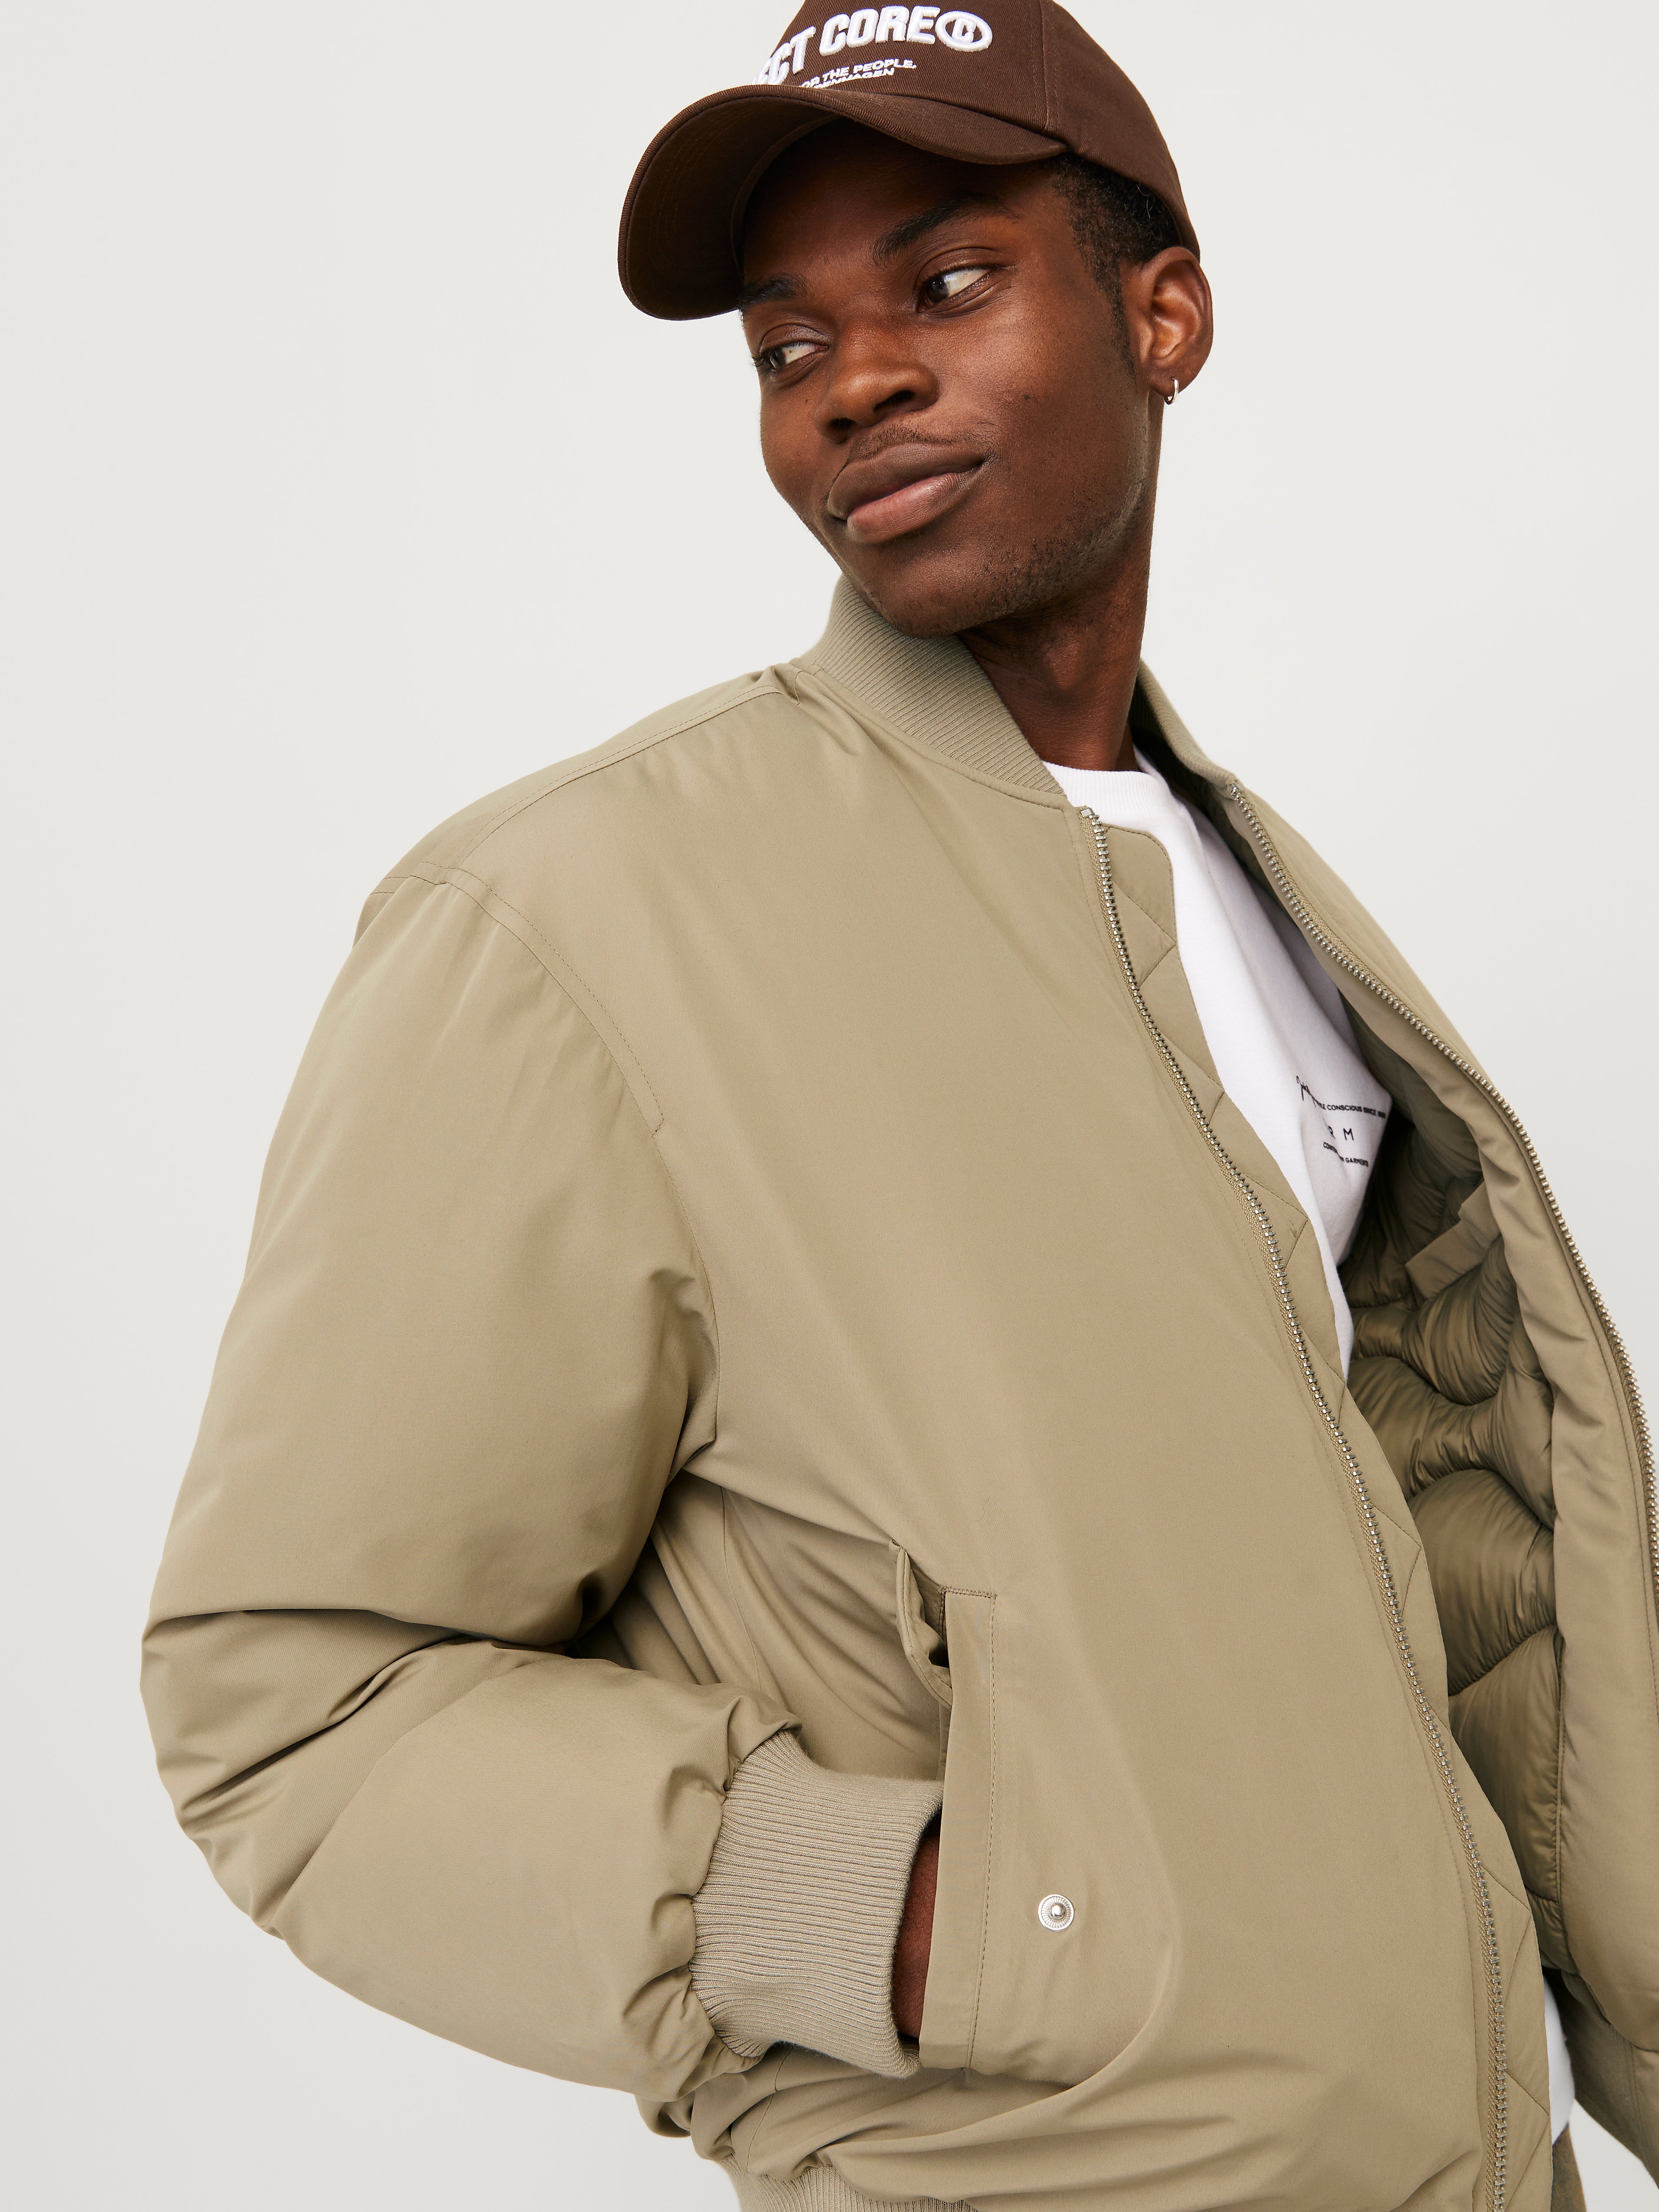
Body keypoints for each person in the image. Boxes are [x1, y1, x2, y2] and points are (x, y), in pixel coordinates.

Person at [142, 7, 1656, 2209]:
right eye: (786, 346)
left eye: (944, 284)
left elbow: (1445, 1566)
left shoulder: (1247, 901)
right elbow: (296, 1701)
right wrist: (919, 1920)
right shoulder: (574, 922)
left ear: (1163, 314)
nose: (848, 382)